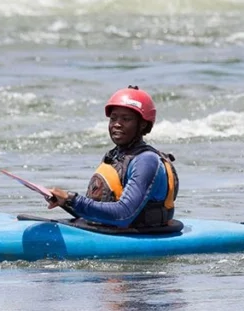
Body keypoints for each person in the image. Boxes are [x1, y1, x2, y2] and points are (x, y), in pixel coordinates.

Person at [46, 86, 179, 229]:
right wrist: (64, 202)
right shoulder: (115, 156)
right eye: (113, 118)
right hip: (114, 230)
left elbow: (123, 216)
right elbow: (101, 210)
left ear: (143, 124)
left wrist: (72, 199)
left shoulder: (145, 161)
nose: (117, 124)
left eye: (126, 119)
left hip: (141, 235)